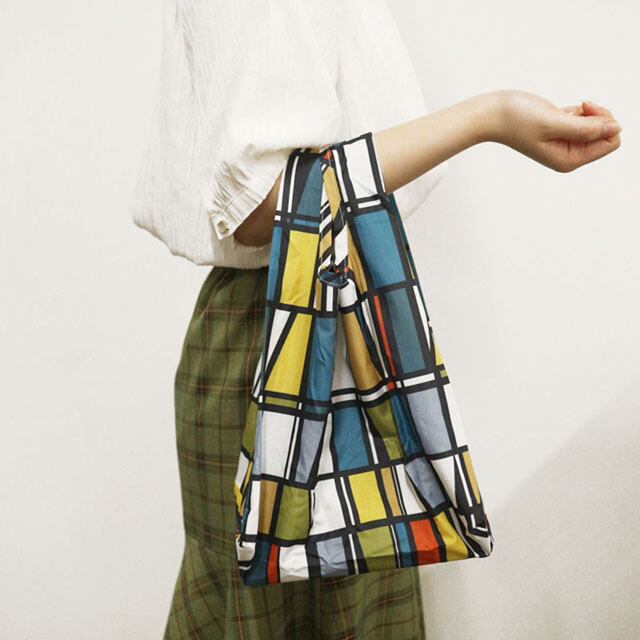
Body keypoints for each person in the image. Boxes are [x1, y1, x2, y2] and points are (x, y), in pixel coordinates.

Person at [130, 2, 622, 638]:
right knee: (299, 613)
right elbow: (263, 204)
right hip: (282, 332)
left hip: (321, 314)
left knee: (339, 608)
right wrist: (490, 117)